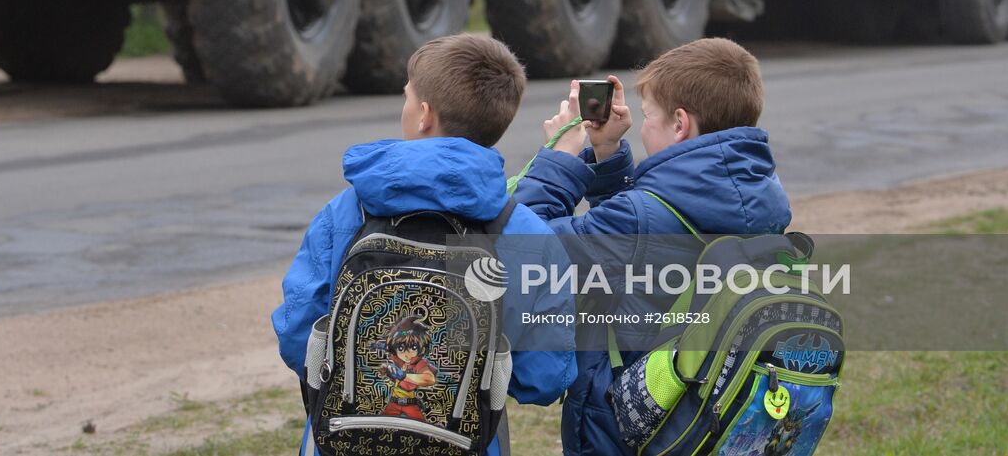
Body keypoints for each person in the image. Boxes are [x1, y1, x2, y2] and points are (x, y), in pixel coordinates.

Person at [272, 34, 577, 456]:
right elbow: (545, 378)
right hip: (463, 441)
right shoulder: (525, 233)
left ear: (424, 116)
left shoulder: (347, 214)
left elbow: (296, 336)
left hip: (341, 437)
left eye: (407, 98)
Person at [512, 37, 791, 456]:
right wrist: (607, 153)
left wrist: (560, 159)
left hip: (629, 429)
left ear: (680, 124)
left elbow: (528, 246)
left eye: (648, 116)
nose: (640, 126)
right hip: (706, 420)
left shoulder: (641, 219)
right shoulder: (761, 200)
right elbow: (632, 252)